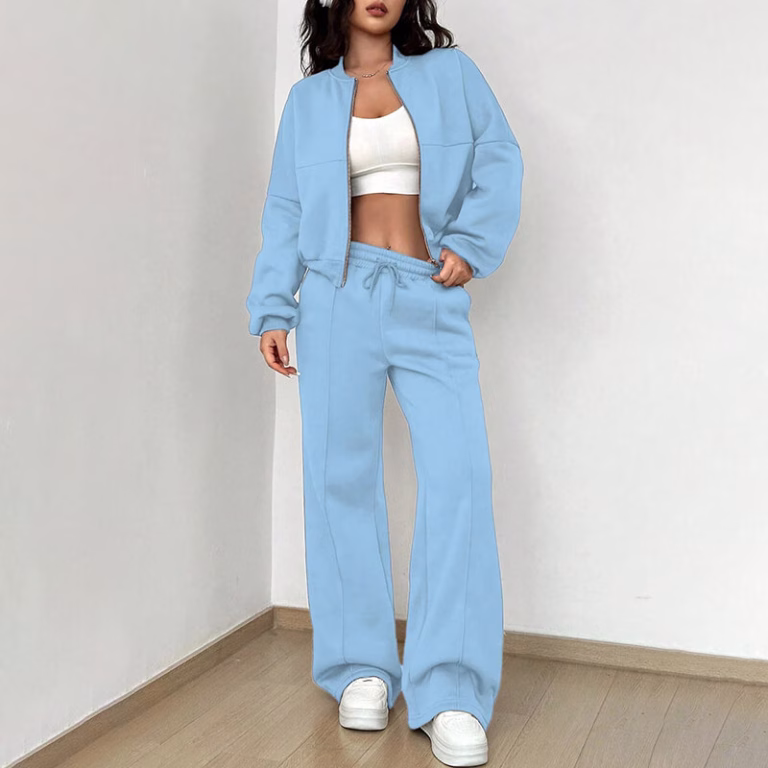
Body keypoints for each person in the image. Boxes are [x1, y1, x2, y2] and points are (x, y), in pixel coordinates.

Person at [246, 0, 523, 764]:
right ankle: (360, 667)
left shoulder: (450, 74)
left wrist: (470, 244)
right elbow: (285, 208)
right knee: (339, 479)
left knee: (460, 477)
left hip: (427, 294)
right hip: (336, 297)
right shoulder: (310, 101)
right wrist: (272, 306)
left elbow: (500, 158)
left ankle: (451, 688)